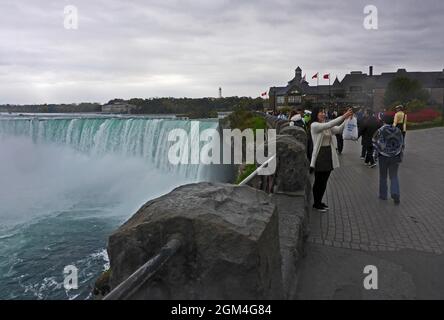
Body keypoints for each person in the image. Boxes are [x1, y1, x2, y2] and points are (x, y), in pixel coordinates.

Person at [309, 107, 354, 212]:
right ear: (316, 114)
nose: (323, 114)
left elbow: (338, 130)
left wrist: (347, 120)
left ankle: (319, 201)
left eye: (324, 112)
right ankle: (316, 203)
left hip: (328, 154)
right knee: (319, 181)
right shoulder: (315, 125)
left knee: (324, 180)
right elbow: (329, 124)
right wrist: (344, 116)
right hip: (320, 155)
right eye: (321, 112)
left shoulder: (325, 125)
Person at [373, 114, 404, 205]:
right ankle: (395, 193)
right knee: (394, 176)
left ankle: (383, 195)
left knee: (383, 176)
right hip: (395, 156)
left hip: (383, 156)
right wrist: (399, 154)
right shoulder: (398, 130)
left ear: (384, 121)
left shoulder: (380, 130)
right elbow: (402, 143)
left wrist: (375, 155)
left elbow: (375, 142)